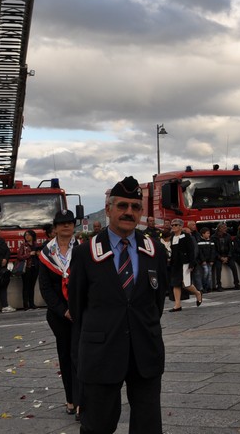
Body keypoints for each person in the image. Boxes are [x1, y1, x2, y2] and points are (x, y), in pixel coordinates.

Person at [69, 176, 168, 434]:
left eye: (135, 207)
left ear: (141, 212)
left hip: (145, 352)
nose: (129, 212)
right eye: (122, 206)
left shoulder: (155, 250)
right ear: (109, 208)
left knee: (148, 427)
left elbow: (156, 304)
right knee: (97, 427)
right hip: (101, 354)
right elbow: (78, 308)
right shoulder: (85, 253)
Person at [39, 207, 80, 418]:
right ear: (54, 228)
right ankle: (71, 399)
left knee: (79, 355)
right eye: (62, 223)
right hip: (59, 315)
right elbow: (45, 288)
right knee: (65, 356)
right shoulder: (46, 253)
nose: (66, 226)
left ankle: (81, 400)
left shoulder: (82, 249)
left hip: (80, 312)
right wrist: (63, 310)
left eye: (70, 222)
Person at [168, 218, 202, 311]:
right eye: (172, 225)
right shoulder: (172, 237)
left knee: (186, 284)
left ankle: (197, 293)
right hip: (175, 264)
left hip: (185, 263)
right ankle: (177, 305)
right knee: (175, 284)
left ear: (180, 227)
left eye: (176, 225)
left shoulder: (186, 236)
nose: (173, 227)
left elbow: (191, 251)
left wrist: (192, 263)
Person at [16, 229, 40, 310]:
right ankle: (25, 305)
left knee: (32, 286)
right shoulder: (23, 245)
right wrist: (29, 254)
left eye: (29, 235)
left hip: (35, 267)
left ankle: (32, 304)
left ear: (33, 236)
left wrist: (38, 254)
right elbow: (19, 256)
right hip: (26, 268)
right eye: (25, 235)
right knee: (26, 286)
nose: (27, 236)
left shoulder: (37, 245)